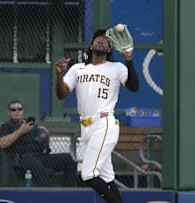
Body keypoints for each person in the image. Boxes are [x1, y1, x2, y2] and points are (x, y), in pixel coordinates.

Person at [54, 29, 139, 203]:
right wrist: (59, 75)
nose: (101, 41)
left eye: (105, 40)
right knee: (107, 178)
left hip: (104, 123)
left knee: (88, 174)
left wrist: (129, 60)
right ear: (91, 45)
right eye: (97, 39)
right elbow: (62, 94)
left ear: (109, 49)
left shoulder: (116, 68)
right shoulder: (78, 68)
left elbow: (134, 86)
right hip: (86, 129)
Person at [0, 100, 78, 187]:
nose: (17, 111)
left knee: (69, 159)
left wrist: (45, 135)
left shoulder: (30, 124)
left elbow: (43, 142)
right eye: (13, 109)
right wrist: (20, 131)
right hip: (23, 160)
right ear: (8, 113)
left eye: (19, 109)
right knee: (35, 163)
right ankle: (49, 191)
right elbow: (2, 143)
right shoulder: (7, 126)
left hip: (40, 156)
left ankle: (68, 192)